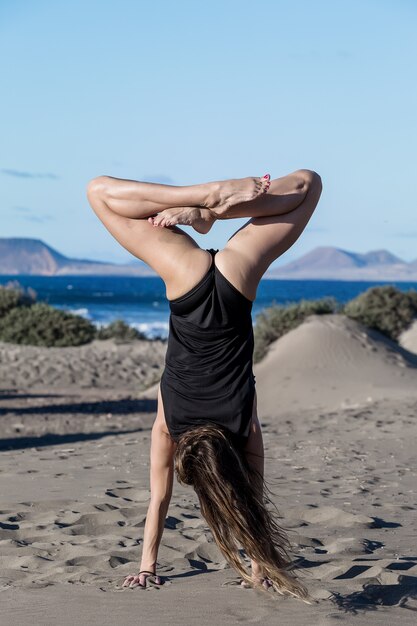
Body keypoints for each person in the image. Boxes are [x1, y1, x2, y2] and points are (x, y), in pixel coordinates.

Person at [86, 169, 322, 600]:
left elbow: (251, 503)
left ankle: (210, 203)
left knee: (307, 186)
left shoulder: (240, 427)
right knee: (99, 193)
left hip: (235, 285)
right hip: (187, 284)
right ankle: (205, 205)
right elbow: (158, 501)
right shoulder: (170, 426)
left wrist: (259, 567)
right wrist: (146, 566)